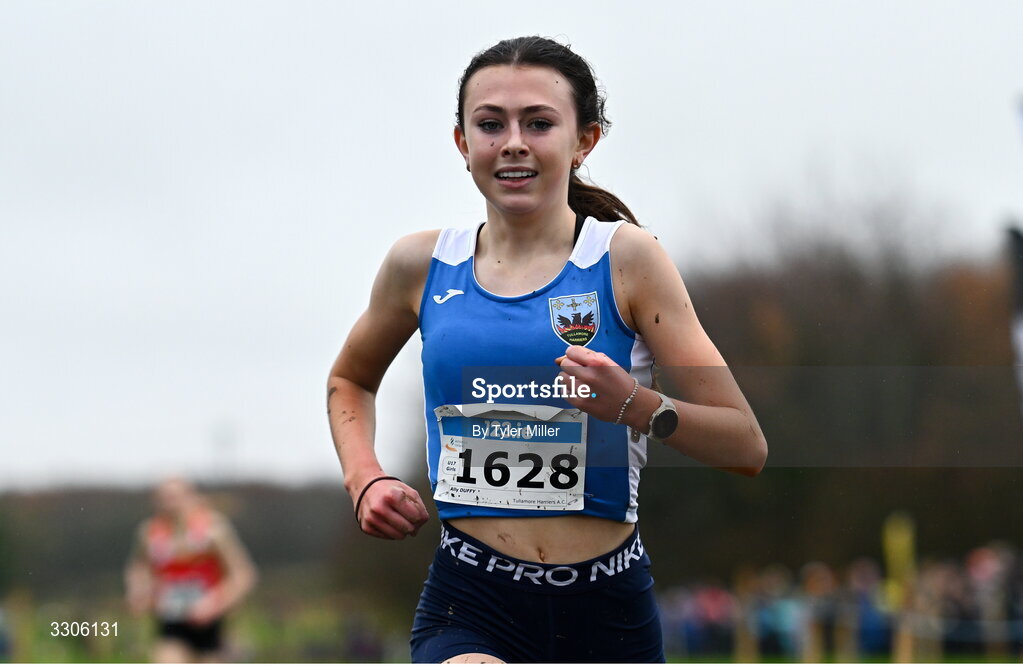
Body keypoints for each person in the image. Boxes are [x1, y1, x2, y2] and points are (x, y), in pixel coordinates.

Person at [326, 35, 767, 663]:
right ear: (463, 143)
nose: (513, 142)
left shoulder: (627, 261)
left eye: (538, 123)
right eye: (490, 124)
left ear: (583, 140)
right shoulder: (420, 266)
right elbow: (349, 380)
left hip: (608, 608)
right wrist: (365, 478)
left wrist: (637, 406)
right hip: (471, 601)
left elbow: (745, 444)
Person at [124, 477, 257, 663]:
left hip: (212, 622)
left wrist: (216, 602)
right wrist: (138, 591)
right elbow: (138, 568)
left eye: (174, 497)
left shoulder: (214, 529)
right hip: (172, 620)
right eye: (163, 497)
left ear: (190, 496)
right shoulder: (149, 532)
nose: (169, 503)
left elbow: (243, 574)